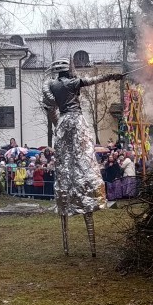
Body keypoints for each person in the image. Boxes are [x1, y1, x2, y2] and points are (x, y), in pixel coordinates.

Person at [43, 57, 123, 256]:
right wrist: (113, 76)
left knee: (65, 167)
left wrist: (56, 123)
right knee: (85, 162)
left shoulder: (51, 85)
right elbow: (94, 80)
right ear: (68, 70)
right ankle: (90, 198)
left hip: (62, 126)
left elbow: (49, 107)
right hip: (77, 124)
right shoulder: (71, 83)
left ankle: (66, 245)